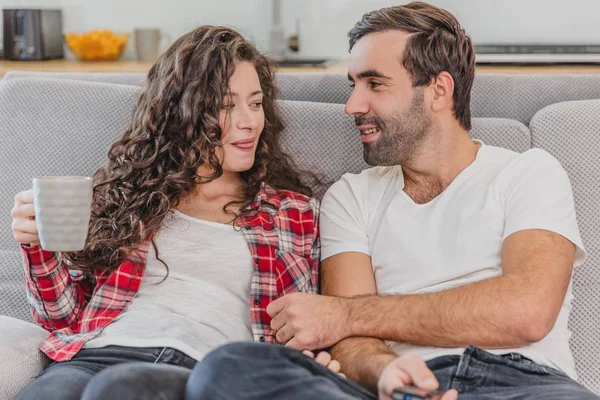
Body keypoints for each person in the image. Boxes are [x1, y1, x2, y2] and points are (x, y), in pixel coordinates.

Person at [186, 2, 598, 400]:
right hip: (397, 388)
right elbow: (349, 344)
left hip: (524, 381)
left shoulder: (528, 173)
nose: (352, 105)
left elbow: (527, 310)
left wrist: (345, 314)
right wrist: (388, 373)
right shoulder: (351, 196)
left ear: (439, 90)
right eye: (354, 85)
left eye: (375, 84)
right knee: (230, 369)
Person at [12, 25, 330, 400]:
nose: (249, 121)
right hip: (95, 354)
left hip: (200, 369)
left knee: (117, 390)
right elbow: (62, 318)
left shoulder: (293, 213)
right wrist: (38, 247)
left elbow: (306, 324)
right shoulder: (126, 198)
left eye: (256, 103)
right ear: (183, 112)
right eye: (227, 105)